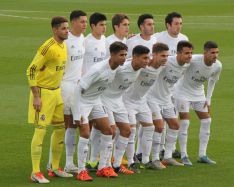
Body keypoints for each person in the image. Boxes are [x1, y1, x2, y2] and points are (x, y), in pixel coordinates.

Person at [26, 16, 73, 184]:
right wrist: (37, 97)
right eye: (63, 28)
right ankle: (35, 172)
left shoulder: (63, 45)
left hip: (57, 93)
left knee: (60, 128)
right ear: (54, 30)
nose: (67, 31)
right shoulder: (47, 48)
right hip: (43, 94)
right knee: (41, 131)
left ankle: (54, 167)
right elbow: (31, 70)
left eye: (67, 28)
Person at [73, 42, 128, 181]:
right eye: (121, 55)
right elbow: (79, 89)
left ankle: (103, 167)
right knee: (85, 133)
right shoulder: (98, 70)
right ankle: (81, 171)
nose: (124, 58)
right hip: (83, 102)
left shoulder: (116, 67)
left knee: (109, 131)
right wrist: (77, 113)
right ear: (113, 55)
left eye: (125, 55)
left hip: (96, 101)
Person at [46, 10, 87, 175]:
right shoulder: (65, 40)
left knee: (73, 125)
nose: (85, 24)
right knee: (61, 126)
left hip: (77, 87)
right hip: (64, 87)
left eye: (86, 21)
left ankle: (69, 163)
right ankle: (51, 164)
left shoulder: (83, 38)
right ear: (74, 22)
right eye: (82, 22)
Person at [87, 13, 130, 170]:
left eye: (128, 25)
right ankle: (94, 159)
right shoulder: (107, 42)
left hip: (117, 92)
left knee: (109, 128)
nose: (127, 28)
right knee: (101, 127)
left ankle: (105, 159)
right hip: (101, 91)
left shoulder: (122, 41)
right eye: (124, 25)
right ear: (116, 27)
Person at [101, 45, 150, 174]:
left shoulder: (139, 68)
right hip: (105, 99)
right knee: (111, 131)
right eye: (144, 58)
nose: (147, 61)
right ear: (135, 57)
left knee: (127, 131)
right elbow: (104, 69)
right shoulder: (121, 68)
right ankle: (106, 166)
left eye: (148, 57)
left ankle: (116, 165)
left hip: (118, 101)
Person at [148, 12, 189, 160]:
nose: (179, 26)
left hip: (174, 86)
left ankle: (166, 152)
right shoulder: (158, 37)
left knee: (171, 121)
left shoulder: (184, 39)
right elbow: (146, 47)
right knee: (157, 123)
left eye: (181, 23)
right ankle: (155, 152)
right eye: (176, 23)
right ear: (168, 25)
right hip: (157, 86)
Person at [122, 43, 169, 172]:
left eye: (167, 56)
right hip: (128, 101)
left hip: (142, 101)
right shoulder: (142, 65)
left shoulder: (162, 66)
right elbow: (130, 62)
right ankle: (131, 162)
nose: (165, 58)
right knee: (131, 131)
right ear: (154, 55)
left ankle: (146, 160)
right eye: (162, 56)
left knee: (150, 127)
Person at [174, 41, 222, 165]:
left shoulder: (218, 66)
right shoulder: (193, 60)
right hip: (182, 92)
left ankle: (202, 155)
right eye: (212, 52)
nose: (215, 55)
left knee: (207, 120)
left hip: (199, 94)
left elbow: (212, 81)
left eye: (217, 52)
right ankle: (184, 155)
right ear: (205, 53)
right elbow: (178, 70)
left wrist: (208, 99)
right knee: (185, 121)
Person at [146, 41, 193, 167]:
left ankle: (167, 157)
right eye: (187, 53)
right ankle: (155, 158)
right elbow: (150, 62)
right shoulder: (166, 61)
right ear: (178, 53)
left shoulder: (186, 65)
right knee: (159, 127)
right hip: (152, 98)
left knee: (174, 125)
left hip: (166, 99)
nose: (190, 56)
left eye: (191, 53)